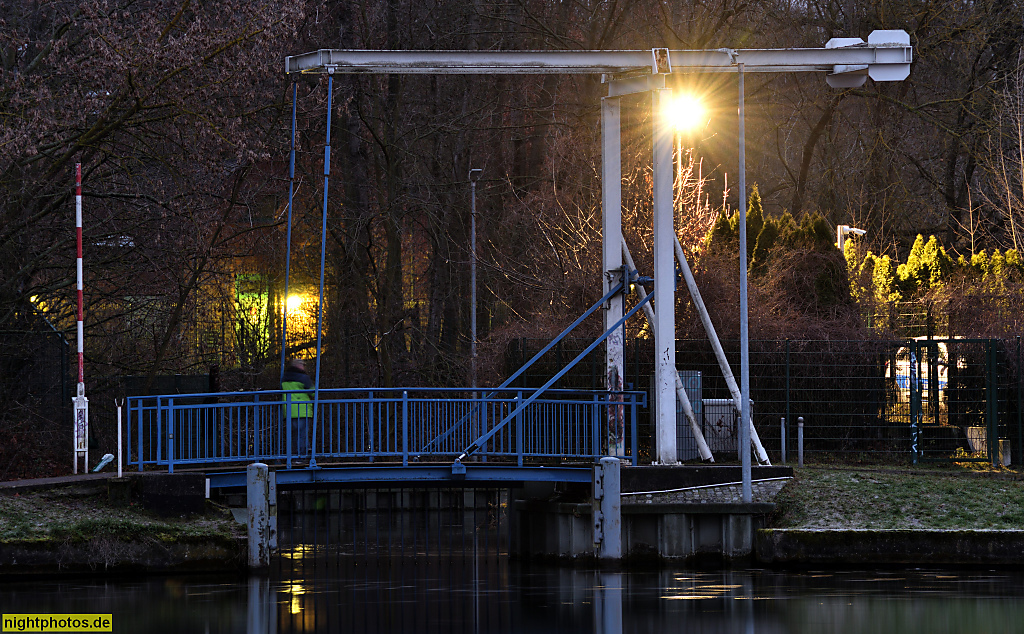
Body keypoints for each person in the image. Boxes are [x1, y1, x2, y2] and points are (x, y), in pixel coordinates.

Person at [281, 358, 313, 460]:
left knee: (294, 435)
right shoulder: (303, 378)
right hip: (302, 409)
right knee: (302, 434)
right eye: (302, 364)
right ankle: (302, 456)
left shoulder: (284, 378)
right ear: (299, 365)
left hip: (289, 410)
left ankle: (294, 456)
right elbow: (313, 392)